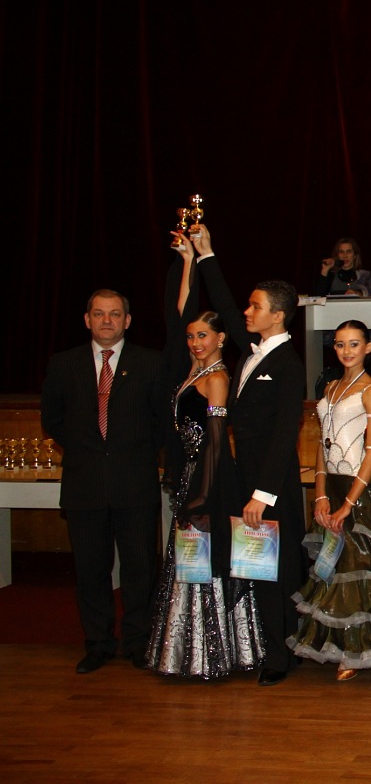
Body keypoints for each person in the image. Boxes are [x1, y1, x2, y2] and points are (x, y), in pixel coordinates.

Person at [191, 225, 307, 687]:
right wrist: (206, 255)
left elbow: (284, 436)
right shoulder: (252, 353)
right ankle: (272, 647)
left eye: (255, 306)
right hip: (248, 482)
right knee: (257, 568)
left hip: (271, 488)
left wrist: (263, 494)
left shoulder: (288, 364)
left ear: (277, 316)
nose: (246, 311)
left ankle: (281, 657)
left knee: (278, 572)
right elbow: (223, 304)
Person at [145, 239, 265, 678]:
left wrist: (201, 495)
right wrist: (186, 263)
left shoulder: (216, 379)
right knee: (187, 559)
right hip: (189, 476)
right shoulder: (192, 370)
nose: (195, 342)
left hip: (209, 480)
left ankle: (210, 653)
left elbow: (215, 441)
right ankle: (187, 651)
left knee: (205, 559)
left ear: (221, 339)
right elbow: (180, 315)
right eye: (192, 336)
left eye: (203, 336)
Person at [42, 289, 167, 673]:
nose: (107, 321)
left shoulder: (151, 363)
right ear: (87, 320)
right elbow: (53, 420)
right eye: (99, 314)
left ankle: (138, 641)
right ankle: (98, 643)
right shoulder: (63, 364)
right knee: (91, 571)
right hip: (85, 485)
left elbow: (161, 423)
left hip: (135, 484)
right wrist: (90, 452)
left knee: (140, 569)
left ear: (127, 320)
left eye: (115, 314)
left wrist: (131, 453)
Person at [289, 320, 371, 679]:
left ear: (368, 347)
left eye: (354, 344)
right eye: (340, 344)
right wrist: (320, 495)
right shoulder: (330, 388)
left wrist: (348, 504)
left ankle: (368, 648)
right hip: (332, 487)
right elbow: (322, 445)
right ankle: (344, 644)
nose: (346, 351)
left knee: (360, 569)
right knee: (332, 570)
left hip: (360, 490)